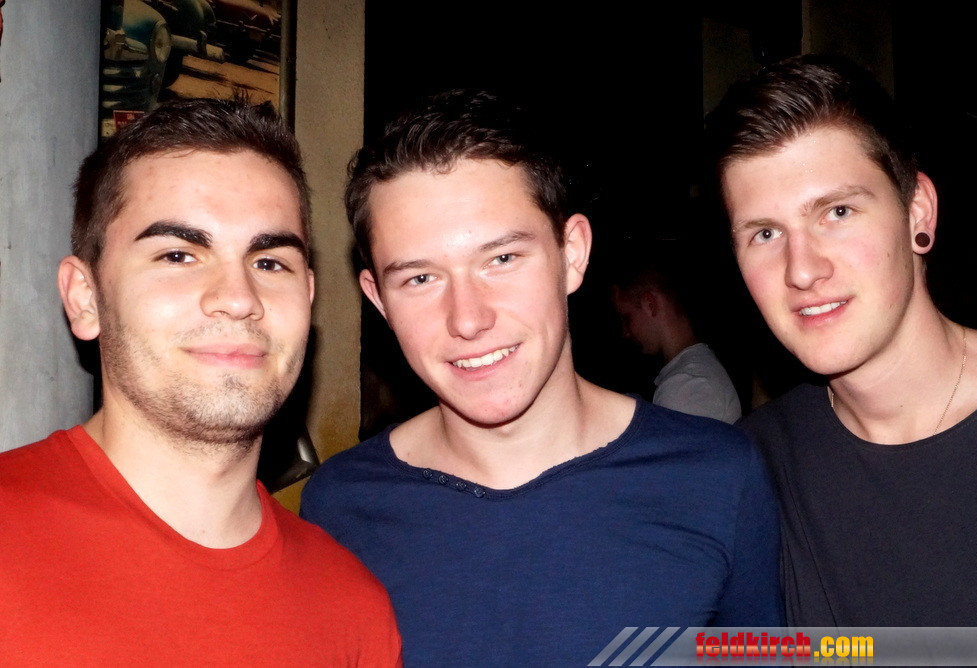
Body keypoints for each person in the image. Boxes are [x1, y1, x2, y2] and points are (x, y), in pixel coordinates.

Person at [301, 89, 782, 666]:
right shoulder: (339, 507)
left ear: (572, 254)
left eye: (502, 259)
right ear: (379, 299)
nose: (468, 319)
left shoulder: (718, 477)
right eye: (421, 279)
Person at [0, 98, 402, 665]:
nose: (237, 298)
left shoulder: (353, 610)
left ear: (308, 298)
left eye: (270, 263)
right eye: (178, 255)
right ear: (85, 299)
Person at [708, 53, 977, 626]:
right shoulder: (752, 468)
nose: (801, 269)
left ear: (918, 212)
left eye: (837, 212)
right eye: (765, 233)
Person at [611, 258, 742, 422]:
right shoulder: (696, 372)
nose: (625, 333)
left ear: (650, 304)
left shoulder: (687, 385)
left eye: (626, 318)